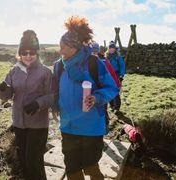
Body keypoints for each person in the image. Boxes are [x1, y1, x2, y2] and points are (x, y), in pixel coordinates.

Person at [53, 16, 119, 180]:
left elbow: (112, 88)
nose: (60, 51)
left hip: (91, 128)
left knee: (91, 168)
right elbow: (55, 90)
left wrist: (96, 98)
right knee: (72, 170)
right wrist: (54, 106)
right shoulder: (59, 65)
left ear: (74, 47)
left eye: (63, 47)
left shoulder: (94, 64)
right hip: (68, 127)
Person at [0, 30, 54, 180]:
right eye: (24, 52)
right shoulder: (14, 71)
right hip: (19, 123)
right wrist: (3, 90)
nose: (28, 56)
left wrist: (38, 103)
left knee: (33, 161)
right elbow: (7, 96)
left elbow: (52, 96)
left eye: (32, 52)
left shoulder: (45, 72)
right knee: (23, 160)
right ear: (20, 53)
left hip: (38, 124)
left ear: (37, 53)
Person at [91, 41, 120, 133]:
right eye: (92, 52)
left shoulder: (103, 61)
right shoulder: (84, 62)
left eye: (95, 52)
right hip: (90, 93)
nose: (94, 54)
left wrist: (117, 86)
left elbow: (112, 74)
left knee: (103, 109)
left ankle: (105, 128)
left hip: (102, 91)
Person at [105, 41, 125, 113]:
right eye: (110, 48)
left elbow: (122, 66)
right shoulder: (106, 57)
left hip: (116, 75)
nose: (111, 49)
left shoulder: (117, 57)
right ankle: (112, 106)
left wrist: (121, 75)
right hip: (108, 76)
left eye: (113, 48)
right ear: (108, 48)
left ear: (115, 49)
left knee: (116, 91)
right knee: (109, 91)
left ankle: (116, 108)